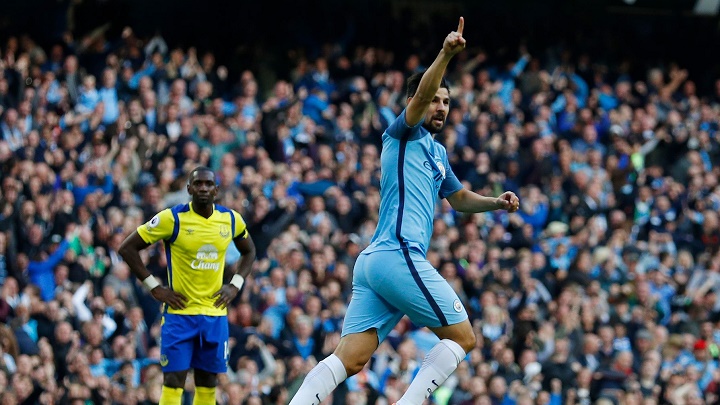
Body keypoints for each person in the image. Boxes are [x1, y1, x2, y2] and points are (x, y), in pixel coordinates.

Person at [288, 17, 520, 405]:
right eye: (435, 99)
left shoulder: (437, 152)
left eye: (447, 101)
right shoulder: (402, 132)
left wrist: (495, 203)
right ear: (416, 101)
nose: (442, 106)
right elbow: (420, 98)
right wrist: (445, 54)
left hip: (377, 262)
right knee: (463, 337)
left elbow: (459, 199)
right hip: (398, 253)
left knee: (352, 358)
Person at [119, 166, 256, 405]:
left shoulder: (231, 219)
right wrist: (154, 287)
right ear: (189, 188)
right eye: (198, 184)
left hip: (214, 315)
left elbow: (250, 251)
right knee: (173, 382)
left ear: (216, 189)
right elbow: (127, 248)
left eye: (208, 184)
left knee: (207, 384)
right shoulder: (172, 218)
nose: (203, 188)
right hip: (179, 315)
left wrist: (234, 285)